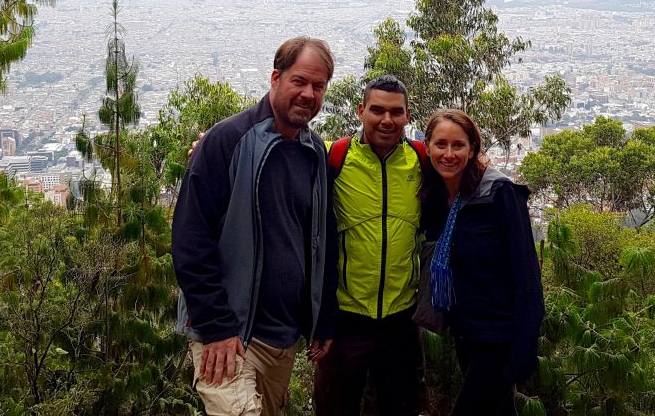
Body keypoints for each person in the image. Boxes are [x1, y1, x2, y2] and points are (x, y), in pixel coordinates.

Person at [172, 36, 338, 416]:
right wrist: (216, 327)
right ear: (275, 78)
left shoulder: (315, 153)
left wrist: (323, 317)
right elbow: (190, 239)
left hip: (282, 338)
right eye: (299, 81)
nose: (308, 94)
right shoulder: (228, 140)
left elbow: (321, 243)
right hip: (231, 334)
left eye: (318, 86)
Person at [420, 109, 544, 416]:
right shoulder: (436, 199)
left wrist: (523, 352)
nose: (448, 154)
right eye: (440, 144)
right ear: (427, 148)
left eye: (458, 145)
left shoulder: (499, 193)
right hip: (466, 335)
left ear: (473, 148)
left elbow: (528, 277)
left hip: (500, 340)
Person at [313, 75, 425, 416]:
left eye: (396, 112)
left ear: (408, 116)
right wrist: (212, 145)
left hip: (402, 320)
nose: (386, 120)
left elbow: (465, 174)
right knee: (334, 407)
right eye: (377, 110)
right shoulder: (334, 157)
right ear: (361, 111)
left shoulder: (422, 160)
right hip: (346, 320)